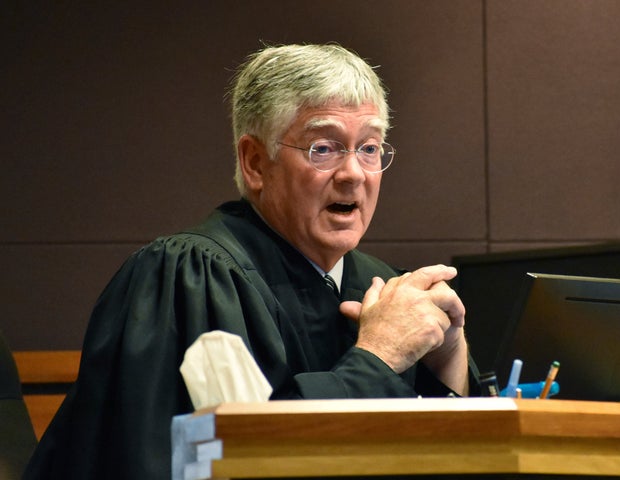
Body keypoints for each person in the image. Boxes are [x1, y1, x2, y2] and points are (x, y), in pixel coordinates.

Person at [23, 43, 482, 480]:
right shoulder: (186, 278)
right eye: (324, 148)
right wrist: (378, 357)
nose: (353, 174)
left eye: (369, 148)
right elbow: (225, 461)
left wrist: (449, 359)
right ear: (256, 163)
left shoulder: (379, 287)